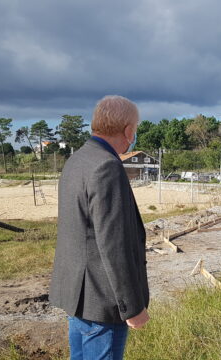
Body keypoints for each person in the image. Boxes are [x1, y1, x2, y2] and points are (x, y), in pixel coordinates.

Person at [49, 95, 150, 360]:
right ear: (128, 130)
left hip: (77, 296)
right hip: (103, 302)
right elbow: (114, 244)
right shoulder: (107, 165)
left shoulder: (77, 160)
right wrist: (132, 307)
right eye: (135, 129)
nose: (134, 135)